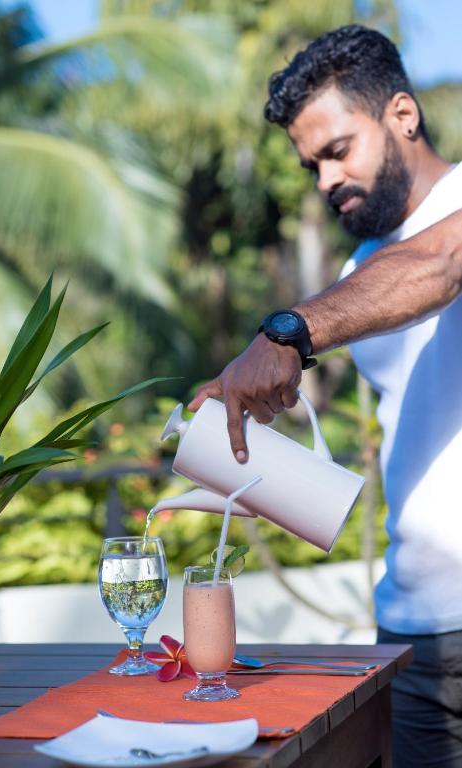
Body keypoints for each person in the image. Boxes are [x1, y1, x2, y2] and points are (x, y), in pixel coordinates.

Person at [188, 25, 462, 768]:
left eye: (338, 151)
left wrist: (289, 331)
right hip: (413, 629)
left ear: (402, 114)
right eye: (311, 165)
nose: (323, 180)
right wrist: (243, 444)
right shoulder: (359, 267)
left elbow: (440, 265)